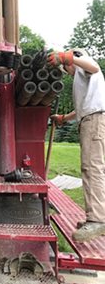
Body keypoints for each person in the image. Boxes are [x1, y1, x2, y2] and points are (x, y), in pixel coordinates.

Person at [48, 48, 105, 242]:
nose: (67, 73)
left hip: (93, 121)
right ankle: (96, 218)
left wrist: (66, 57)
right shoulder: (83, 79)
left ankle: (97, 220)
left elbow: (95, 67)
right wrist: (64, 118)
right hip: (88, 119)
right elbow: (83, 107)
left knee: (93, 169)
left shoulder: (85, 65)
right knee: (89, 168)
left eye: (66, 68)